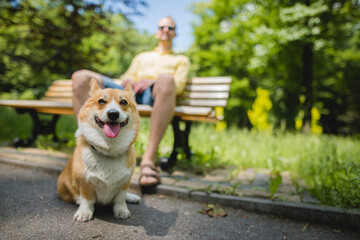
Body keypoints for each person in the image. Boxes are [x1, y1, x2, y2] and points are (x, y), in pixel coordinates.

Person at [71, 16, 190, 191]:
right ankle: (86, 147)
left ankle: (148, 161)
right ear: (157, 31)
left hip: (153, 93)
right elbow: (125, 78)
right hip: (127, 94)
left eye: (170, 27)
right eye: (162, 26)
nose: (166, 30)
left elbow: (178, 86)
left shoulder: (181, 60)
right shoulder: (142, 57)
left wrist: (150, 81)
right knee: (80, 77)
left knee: (167, 80)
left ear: (174, 33)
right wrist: (126, 81)